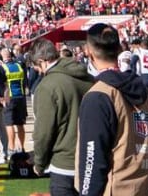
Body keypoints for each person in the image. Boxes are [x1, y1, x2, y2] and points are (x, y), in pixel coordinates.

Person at [75, 22, 148, 196]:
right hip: (147, 186)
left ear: (89, 51)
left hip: (117, 188)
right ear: (118, 50)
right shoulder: (144, 91)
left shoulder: (99, 95)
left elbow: (92, 159)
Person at [30, 38, 93, 196]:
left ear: (42, 62)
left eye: (37, 68)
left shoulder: (48, 86)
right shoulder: (89, 78)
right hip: (93, 159)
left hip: (65, 164)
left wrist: (39, 163)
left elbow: (43, 131)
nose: (38, 72)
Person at [3, 47, 29, 154]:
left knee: (9, 124)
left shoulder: (4, 67)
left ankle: (11, 148)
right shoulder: (19, 66)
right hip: (21, 97)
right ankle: (21, 147)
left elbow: (3, 84)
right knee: (20, 124)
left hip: (10, 97)